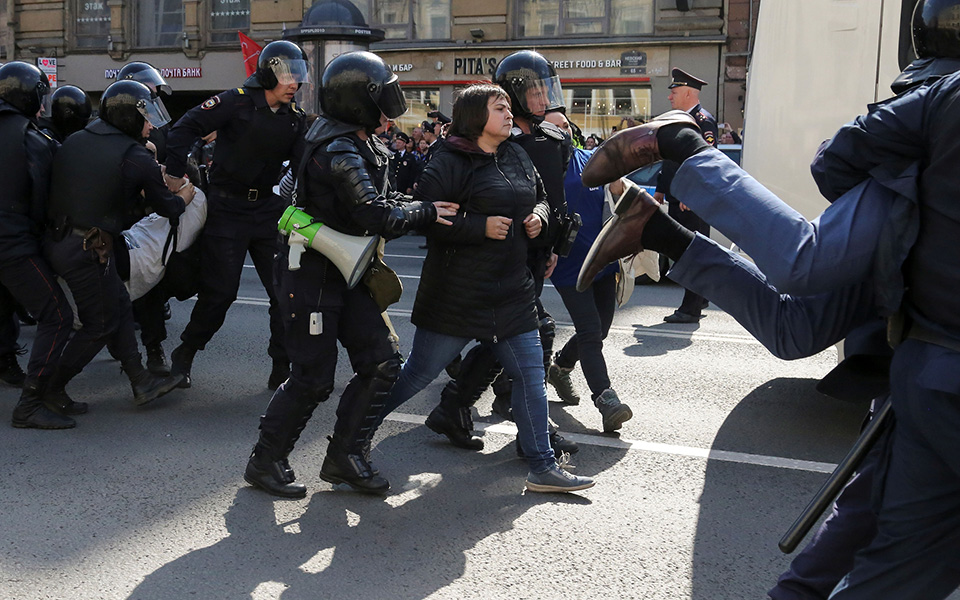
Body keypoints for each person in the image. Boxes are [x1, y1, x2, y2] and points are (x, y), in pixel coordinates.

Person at [242, 51, 457, 498]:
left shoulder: (358, 141)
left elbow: (384, 200)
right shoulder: (338, 149)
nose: (389, 108)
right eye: (381, 97)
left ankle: (346, 456)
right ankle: (265, 460)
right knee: (312, 377)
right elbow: (375, 215)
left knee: (381, 362)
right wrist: (426, 211)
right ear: (360, 101)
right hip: (312, 274)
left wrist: (417, 204)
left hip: (347, 269)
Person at [375, 83, 595, 493]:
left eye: (509, 108)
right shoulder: (448, 158)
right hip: (458, 292)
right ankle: (352, 438)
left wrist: (539, 218)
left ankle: (542, 467)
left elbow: (541, 197)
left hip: (511, 290)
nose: (509, 114)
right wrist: (479, 227)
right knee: (417, 374)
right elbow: (427, 218)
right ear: (477, 116)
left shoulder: (515, 153)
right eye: (500, 108)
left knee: (531, 377)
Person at [424, 50, 587, 456]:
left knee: (504, 337)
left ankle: (455, 406)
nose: (543, 100)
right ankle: (533, 431)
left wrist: (550, 244)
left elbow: (550, 198)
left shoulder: (549, 138)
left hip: (532, 254)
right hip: (497, 257)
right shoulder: (495, 143)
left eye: (545, 91)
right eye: (534, 93)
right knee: (533, 332)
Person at [163, 40, 309, 390]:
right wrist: (174, 173)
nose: (294, 83)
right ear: (268, 74)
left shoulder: (294, 119)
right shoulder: (236, 101)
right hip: (227, 209)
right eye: (287, 75)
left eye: (298, 75)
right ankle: (185, 354)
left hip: (267, 209)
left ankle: (281, 367)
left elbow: (305, 167)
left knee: (284, 293)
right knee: (221, 293)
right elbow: (184, 127)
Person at [44, 79, 193, 412]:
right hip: (88, 248)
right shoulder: (136, 156)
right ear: (129, 117)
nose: (151, 126)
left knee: (120, 305)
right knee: (99, 325)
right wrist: (185, 195)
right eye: (146, 117)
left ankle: (141, 381)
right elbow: (168, 208)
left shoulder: (77, 140)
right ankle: (49, 389)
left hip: (61, 240)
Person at [544, 110, 634, 432]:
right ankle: (606, 400)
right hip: (568, 268)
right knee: (590, 331)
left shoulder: (593, 159)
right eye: (554, 127)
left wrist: (618, 187)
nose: (563, 131)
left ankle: (561, 367)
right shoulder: (540, 169)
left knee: (601, 329)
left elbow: (619, 197)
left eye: (565, 125)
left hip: (602, 261)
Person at [0, 62, 76, 429]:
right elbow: (48, 202)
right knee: (57, 315)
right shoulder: (30, 139)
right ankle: (30, 404)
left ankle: (6, 364)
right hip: (11, 242)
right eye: (40, 97)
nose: (43, 106)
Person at [655, 67, 718, 324]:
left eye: (675, 92)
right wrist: (660, 189)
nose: (670, 97)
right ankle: (700, 298)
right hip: (678, 197)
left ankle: (690, 309)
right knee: (684, 250)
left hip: (691, 201)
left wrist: (692, 194)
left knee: (691, 252)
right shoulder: (679, 120)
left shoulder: (703, 122)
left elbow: (705, 162)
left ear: (689, 93)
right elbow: (671, 158)